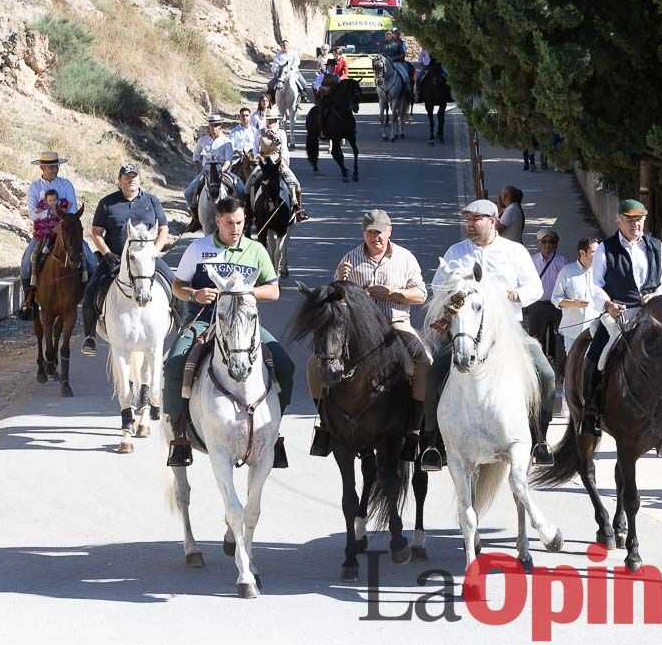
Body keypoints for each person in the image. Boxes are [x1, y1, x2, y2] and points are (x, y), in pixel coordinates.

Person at [421, 198, 556, 471]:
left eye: (476, 219)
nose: (470, 225)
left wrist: (516, 295)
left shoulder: (514, 251)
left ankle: (540, 438)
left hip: (508, 329)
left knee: (546, 373)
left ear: (493, 220)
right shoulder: (455, 251)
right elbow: (437, 287)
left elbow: (535, 288)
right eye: (468, 220)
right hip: (466, 330)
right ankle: (433, 443)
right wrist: (454, 296)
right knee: (434, 374)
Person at [163, 197, 294, 469]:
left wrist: (244, 293)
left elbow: (274, 290)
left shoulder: (255, 250)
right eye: (230, 223)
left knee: (284, 364)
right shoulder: (199, 248)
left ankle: (274, 431)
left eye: (240, 222)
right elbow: (178, 287)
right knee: (175, 363)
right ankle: (178, 434)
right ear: (218, 222)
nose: (236, 228)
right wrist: (195, 294)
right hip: (204, 320)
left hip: (244, 325)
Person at [308, 209, 430, 458]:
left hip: (395, 323)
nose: (375, 237)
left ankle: (416, 429)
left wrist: (393, 293)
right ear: (364, 233)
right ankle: (324, 425)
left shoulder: (405, 258)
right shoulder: (350, 259)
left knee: (423, 360)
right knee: (315, 363)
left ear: (389, 231)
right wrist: (339, 282)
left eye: (380, 232)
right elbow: (334, 299)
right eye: (370, 232)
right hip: (356, 328)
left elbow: (421, 294)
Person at [579, 199, 662, 437]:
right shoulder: (606, 248)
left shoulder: (656, 246)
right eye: (630, 220)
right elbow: (595, 284)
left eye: (639, 220)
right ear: (619, 221)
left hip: (653, 312)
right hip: (620, 313)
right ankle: (590, 412)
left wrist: (657, 294)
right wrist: (608, 303)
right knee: (596, 354)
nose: (636, 225)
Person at [80, 164, 173, 356]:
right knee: (91, 290)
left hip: (147, 258)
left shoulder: (151, 201)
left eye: (134, 176)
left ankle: (181, 328)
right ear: (119, 180)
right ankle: (89, 337)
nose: (131, 180)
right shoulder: (107, 203)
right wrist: (106, 253)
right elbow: (96, 232)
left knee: (174, 283)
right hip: (114, 258)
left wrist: (155, 251)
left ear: (139, 179)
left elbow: (163, 228)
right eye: (127, 177)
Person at [21, 151, 93, 314]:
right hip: (44, 232)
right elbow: (32, 213)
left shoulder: (65, 184)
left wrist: (60, 223)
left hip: (66, 230)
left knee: (91, 262)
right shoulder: (34, 187)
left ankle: (89, 299)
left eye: (56, 166)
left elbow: (73, 209)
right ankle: (29, 303)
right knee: (26, 265)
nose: (54, 170)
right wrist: (49, 214)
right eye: (51, 167)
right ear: (42, 167)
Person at [185, 115, 241, 232]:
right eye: (211, 125)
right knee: (189, 193)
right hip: (206, 170)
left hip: (222, 170)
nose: (214, 128)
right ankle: (196, 217)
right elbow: (196, 155)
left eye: (216, 125)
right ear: (209, 126)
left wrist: (221, 170)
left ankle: (242, 217)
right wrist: (198, 167)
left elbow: (228, 160)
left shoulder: (227, 141)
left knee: (240, 189)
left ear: (220, 126)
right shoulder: (202, 140)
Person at [525, 229, 568, 372]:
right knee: (536, 340)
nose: (547, 245)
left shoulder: (562, 261)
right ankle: (537, 370)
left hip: (557, 307)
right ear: (538, 243)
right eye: (544, 241)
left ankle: (559, 370)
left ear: (556, 244)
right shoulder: (531, 261)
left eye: (551, 241)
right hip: (537, 306)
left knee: (559, 339)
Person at [255, 109, 308, 222]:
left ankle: (297, 210)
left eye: (273, 120)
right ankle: (250, 211)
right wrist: (258, 156)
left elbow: (284, 149)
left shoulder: (281, 133)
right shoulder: (259, 132)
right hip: (264, 161)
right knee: (249, 184)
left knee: (296, 184)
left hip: (278, 161)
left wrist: (283, 159)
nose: (271, 122)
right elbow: (255, 149)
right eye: (269, 120)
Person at [552, 237, 600, 355]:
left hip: (595, 329)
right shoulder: (567, 271)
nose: (599, 255)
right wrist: (573, 303)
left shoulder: (601, 272)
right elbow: (555, 298)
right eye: (594, 252)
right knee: (574, 366)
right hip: (572, 331)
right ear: (582, 253)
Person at [265, 39, 311, 105]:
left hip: (293, 71)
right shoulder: (278, 54)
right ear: (281, 46)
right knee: (271, 84)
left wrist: (292, 67)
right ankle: (271, 99)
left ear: (289, 46)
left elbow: (297, 61)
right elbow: (275, 63)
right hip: (281, 72)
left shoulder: (293, 53)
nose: (285, 46)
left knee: (303, 83)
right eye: (283, 45)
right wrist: (275, 69)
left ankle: (303, 97)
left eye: (286, 45)